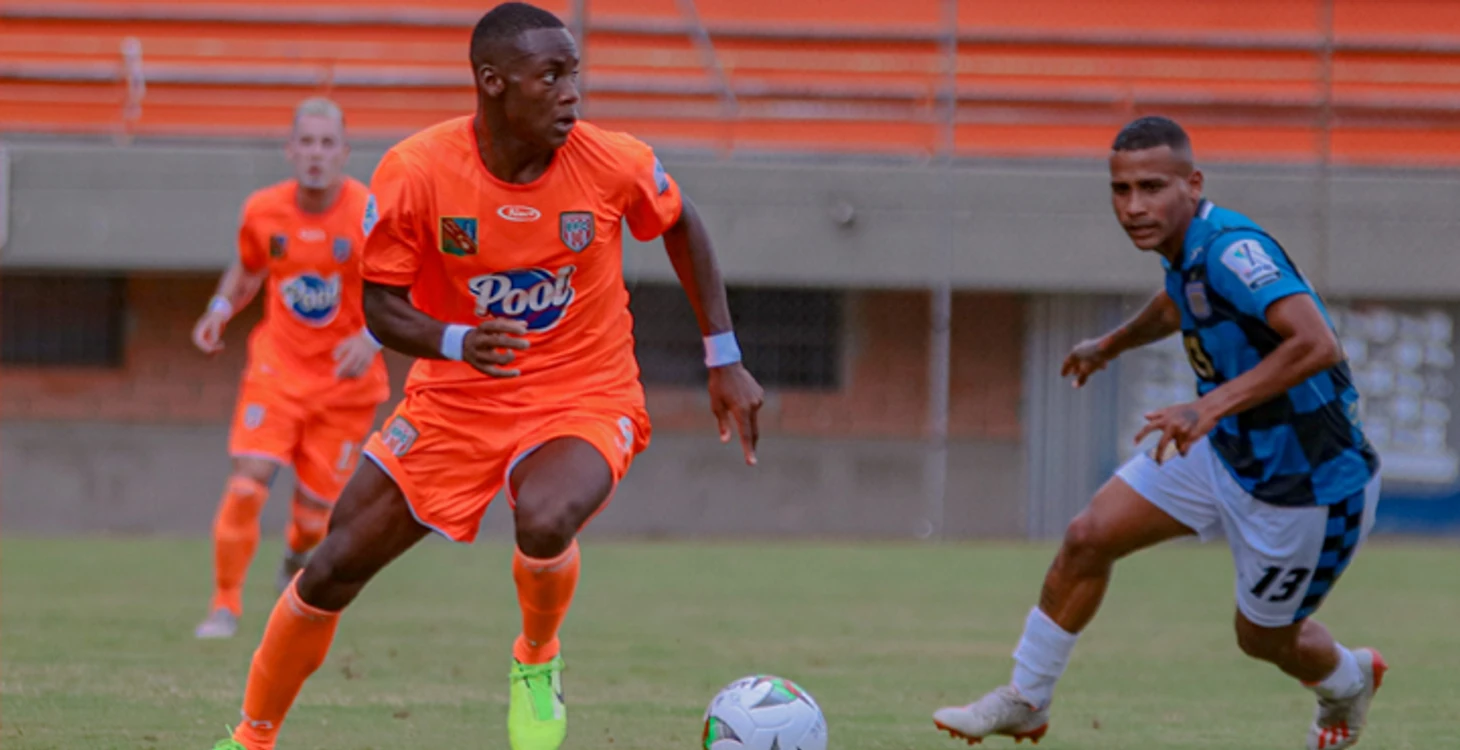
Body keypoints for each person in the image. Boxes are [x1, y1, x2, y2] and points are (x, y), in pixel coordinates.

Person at [208, 4, 765, 749]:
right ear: (492, 82)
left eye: (574, 74)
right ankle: (250, 739)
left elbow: (681, 221)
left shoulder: (612, 161)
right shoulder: (416, 171)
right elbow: (380, 306)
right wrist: (456, 340)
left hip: (584, 391)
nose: (571, 94)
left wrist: (723, 356)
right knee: (331, 568)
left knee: (545, 517)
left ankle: (536, 656)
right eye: (551, 76)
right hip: (454, 402)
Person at [932, 116, 1384, 750]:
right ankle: (1026, 700)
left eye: (1151, 187)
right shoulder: (1186, 253)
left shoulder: (1230, 249)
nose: (1134, 206)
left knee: (1262, 638)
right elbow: (1179, 301)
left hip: (1310, 483)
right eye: (1121, 190)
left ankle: (1347, 681)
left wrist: (1208, 407)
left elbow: (1317, 344)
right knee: (1089, 536)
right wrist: (1110, 345)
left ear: (1192, 184)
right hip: (1227, 451)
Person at [191, 97, 388, 640]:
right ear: (290, 150)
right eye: (306, 142)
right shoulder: (263, 210)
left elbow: (404, 287)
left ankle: (296, 557)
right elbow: (248, 266)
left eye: (327, 143)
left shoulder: (368, 215)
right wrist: (219, 309)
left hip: (344, 385)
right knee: (247, 483)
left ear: (344, 152)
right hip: (277, 371)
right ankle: (224, 605)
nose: (316, 154)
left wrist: (371, 339)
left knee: (315, 515)